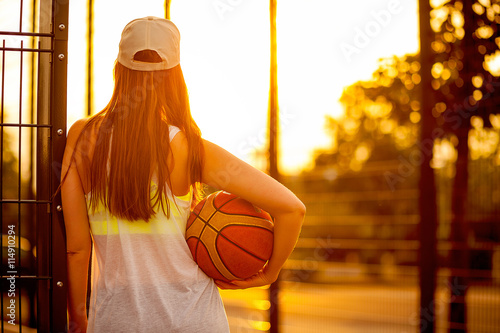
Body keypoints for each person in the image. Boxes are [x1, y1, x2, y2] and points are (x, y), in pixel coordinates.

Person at [61, 16, 305, 333]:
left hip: (114, 322)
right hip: (195, 320)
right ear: (175, 76)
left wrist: (78, 317)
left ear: (118, 70)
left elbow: (76, 248)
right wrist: (269, 273)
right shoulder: (187, 146)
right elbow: (292, 209)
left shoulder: (82, 136)